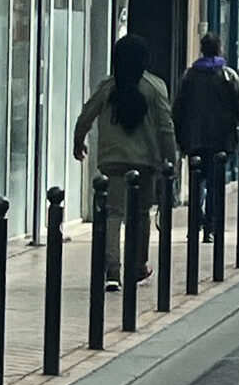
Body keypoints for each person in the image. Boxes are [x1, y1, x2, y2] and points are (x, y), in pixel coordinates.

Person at [74, 34, 176, 291]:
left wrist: (79, 141)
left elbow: (86, 115)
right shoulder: (155, 87)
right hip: (145, 163)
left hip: (112, 161)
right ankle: (137, 266)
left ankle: (112, 272)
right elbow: (166, 127)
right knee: (141, 215)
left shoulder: (108, 87)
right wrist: (170, 160)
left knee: (112, 214)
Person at [172, 33, 239, 242]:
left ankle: (194, 224)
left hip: (195, 138)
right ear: (219, 49)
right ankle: (211, 227)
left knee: (197, 181)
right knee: (217, 182)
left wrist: (179, 135)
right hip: (221, 138)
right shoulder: (227, 75)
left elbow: (179, 107)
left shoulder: (190, 75)